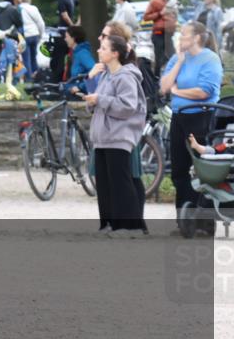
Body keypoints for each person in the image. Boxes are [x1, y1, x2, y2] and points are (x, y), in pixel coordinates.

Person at [159, 21, 224, 234]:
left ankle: (204, 222)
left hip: (201, 117)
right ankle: (184, 220)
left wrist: (177, 92)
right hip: (179, 117)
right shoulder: (178, 58)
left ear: (196, 37)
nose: (180, 38)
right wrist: (178, 62)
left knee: (203, 170)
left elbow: (204, 91)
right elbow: (164, 87)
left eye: (184, 35)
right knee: (179, 169)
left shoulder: (210, 59)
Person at [84, 34, 148, 236]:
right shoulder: (106, 76)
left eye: (103, 48)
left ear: (115, 53)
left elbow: (128, 107)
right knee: (104, 184)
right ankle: (109, 223)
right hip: (102, 137)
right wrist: (92, 100)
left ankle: (130, 226)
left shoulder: (126, 76)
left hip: (119, 137)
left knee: (121, 183)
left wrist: (100, 100)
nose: (98, 50)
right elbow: (98, 102)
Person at [143, 0, 178, 76]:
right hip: (159, 33)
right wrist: (160, 13)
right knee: (160, 58)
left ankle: (169, 77)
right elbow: (146, 17)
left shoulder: (171, 2)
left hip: (168, 34)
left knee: (172, 56)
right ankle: (156, 78)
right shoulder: (156, 1)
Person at [50, 0, 77, 80]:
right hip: (68, 32)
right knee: (67, 55)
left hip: (62, 31)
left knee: (58, 56)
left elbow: (64, 15)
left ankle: (57, 78)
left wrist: (72, 26)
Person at [0, 0, 24, 82]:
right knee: (13, 58)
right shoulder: (13, 9)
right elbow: (19, 23)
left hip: (0, 36)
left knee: (2, 57)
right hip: (11, 36)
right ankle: (12, 78)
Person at [18, 0, 45, 79]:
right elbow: (41, 23)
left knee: (26, 59)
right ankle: (37, 77)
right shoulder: (33, 8)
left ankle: (29, 79)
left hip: (25, 35)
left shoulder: (18, 8)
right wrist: (41, 35)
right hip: (34, 34)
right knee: (34, 57)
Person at [64, 25, 95, 92]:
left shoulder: (83, 54)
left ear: (73, 38)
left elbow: (95, 72)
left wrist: (80, 87)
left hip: (83, 96)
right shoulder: (77, 53)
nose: (65, 39)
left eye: (67, 37)